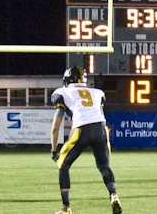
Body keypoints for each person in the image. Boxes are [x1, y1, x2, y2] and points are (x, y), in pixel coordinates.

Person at [50, 66, 122, 214]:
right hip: (101, 129)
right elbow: (99, 114)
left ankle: (66, 208)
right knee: (104, 166)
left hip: (81, 129)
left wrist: (54, 149)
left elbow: (55, 127)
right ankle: (114, 196)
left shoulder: (62, 92)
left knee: (63, 166)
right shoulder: (97, 92)